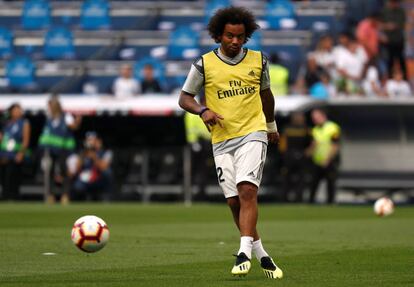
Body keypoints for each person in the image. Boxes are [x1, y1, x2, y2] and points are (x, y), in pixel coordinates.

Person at [178, 6, 283, 279]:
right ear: (218, 35)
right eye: (229, 36)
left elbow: (267, 96)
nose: (235, 41)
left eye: (240, 36)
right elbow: (185, 98)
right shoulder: (204, 64)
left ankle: (243, 252)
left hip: (253, 132)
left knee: (247, 190)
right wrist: (203, 110)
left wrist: (270, 125)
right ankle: (262, 254)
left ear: (246, 36)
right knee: (234, 202)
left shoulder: (259, 61)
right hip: (222, 138)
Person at [39, 95, 81, 204]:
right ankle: (51, 195)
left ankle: (65, 195)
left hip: (64, 149)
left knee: (64, 172)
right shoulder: (49, 118)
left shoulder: (65, 116)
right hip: (50, 150)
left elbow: (73, 127)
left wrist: (77, 121)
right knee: (50, 172)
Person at [307, 109, 341, 204]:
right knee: (313, 183)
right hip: (317, 160)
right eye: (313, 118)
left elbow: (335, 145)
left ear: (323, 116)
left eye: (316, 117)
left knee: (330, 183)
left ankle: (330, 203)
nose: (315, 120)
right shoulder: (315, 129)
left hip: (330, 161)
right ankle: (311, 203)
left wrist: (327, 159)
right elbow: (314, 144)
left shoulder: (333, 128)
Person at [68, 132, 113, 201]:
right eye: (88, 140)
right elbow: (76, 169)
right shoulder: (82, 153)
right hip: (85, 179)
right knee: (77, 185)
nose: (90, 143)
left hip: (99, 178)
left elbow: (104, 167)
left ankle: (107, 196)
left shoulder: (106, 152)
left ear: (98, 141)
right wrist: (83, 155)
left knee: (108, 172)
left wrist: (94, 157)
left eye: (92, 140)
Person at [0, 103, 30, 200]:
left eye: (19, 110)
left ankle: (13, 196)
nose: (18, 112)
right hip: (4, 154)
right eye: (15, 110)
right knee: (3, 176)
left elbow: (26, 140)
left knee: (12, 175)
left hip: (15, 155)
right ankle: (5, 195)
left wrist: (21, 153)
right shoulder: (7, 123)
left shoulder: (24, 123)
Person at [279, 112, 311, 203]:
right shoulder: (288, 128)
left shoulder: (305, 129)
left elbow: (312, 142)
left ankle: (297, 199)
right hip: (291, 156)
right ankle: (286, 199)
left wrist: (307, 152)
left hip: (298, 156)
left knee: (299, 178)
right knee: (287, 178)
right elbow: (282, 144)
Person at [184, 112, 212, 200]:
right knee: (192, 170)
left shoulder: (208, 109)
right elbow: (190, 130)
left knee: (204, 170)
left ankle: (201, 193)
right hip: (197, 144)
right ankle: (187, 195)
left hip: (207, 144)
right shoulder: (191, 113)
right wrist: (193, 142)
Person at [380, 0, 407, 79]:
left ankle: (404, 79)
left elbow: (399, 24)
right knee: (389, 61)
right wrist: (387, 26)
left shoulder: (401, 11)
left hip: (398, 40)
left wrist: (389, 26)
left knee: (401, 60)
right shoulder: (384, 11)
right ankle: (390, 79)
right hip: (388, 41)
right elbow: (380, 25)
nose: (394, 4)